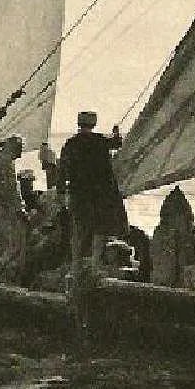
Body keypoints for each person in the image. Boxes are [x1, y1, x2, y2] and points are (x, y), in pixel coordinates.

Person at [58, 111, 128, 276]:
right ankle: (95, 265)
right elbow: (118, 143)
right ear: (93, 124)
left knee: (79, 230)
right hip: (100, 195)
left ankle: (76, 266)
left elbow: (62, 171)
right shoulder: (100, 141)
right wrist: (116, 132)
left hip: (78, 194)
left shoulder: (70, 143)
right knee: (99, 230)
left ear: (79, 123)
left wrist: (61, 192)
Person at [0, 134, 29, 281]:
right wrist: (19, 211)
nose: (21, 153)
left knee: (1, 243)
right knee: (14, 242)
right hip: (2, 209)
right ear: (13, 147)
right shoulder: (5, 163)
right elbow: (9, 190)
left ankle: (1, 274)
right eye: (19, 149)